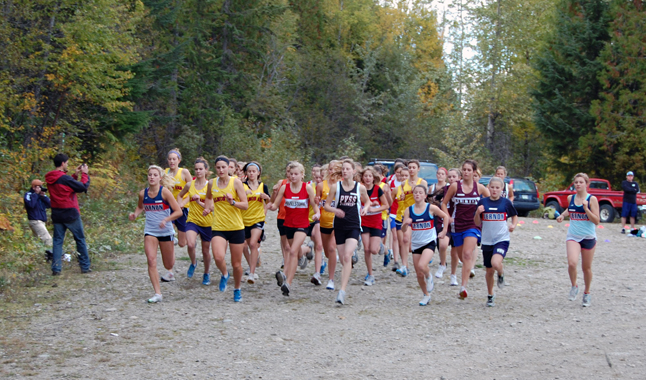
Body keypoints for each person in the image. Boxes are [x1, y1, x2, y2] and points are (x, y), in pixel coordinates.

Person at [129, 166, 183, 303]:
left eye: (155, 175)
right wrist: (135, 214)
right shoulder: (143, 193)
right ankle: (157, 293)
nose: (152, 177)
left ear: (160, 178)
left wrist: (166, 220)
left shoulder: (165, 193)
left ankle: (173, 245)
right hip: (150, 231)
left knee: (168, 263)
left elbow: (178, 212)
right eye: (150, 175)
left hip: (165, 231)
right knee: (151, 260)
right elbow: (141, 206)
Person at [268, 161, 320, 296]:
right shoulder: (285, 188)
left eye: (296, 174)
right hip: (288, 224)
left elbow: (315, 206)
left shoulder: (307, 188)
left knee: (291, 251)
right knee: (296, 253)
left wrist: (317, 214)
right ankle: (308, 249)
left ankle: (287, 282)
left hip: (302, 225)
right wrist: (269, 205)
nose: (293, 176)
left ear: (302, 175)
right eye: (291, 174)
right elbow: (275, 205)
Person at [324, 159, 371, 305]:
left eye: (347, 169)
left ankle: (342, 290)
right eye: (343, 169)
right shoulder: (335, 187)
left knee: (346, 255)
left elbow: (368, 201)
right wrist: (335, 210)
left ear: (353, 171)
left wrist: (365, 208)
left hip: (354, 225)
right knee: (344, 259)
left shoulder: (360, 188)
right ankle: (342, 287)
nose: (345, 171)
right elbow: (326, 205)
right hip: (339, 226)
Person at [441, 160, 490, 300]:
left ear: (474, 172)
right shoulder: (455, 187)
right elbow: (444, 203)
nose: (466, 172)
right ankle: (465, 275)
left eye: (469, 170)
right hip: (457, 225)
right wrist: (448, 216)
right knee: (463, 257)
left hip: (473, 225)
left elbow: (492, 199)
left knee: (468, 254)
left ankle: (463, 287)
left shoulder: (479, 188)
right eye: (464, 169)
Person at [203, 156, 249, 302]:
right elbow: (209, 198)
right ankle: (224, 274)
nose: (221, 170)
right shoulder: (211, 183)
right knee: (218, 256)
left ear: (229, 168)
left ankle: (237, 289)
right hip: (219, 227)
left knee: (236, 264)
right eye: (218, 167)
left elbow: (245, 205)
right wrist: (207, 208)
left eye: (224, 167)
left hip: (236, 227)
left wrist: (233, 202)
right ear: (215, 169)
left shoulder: (235, 182)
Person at [556, 173, 600, 307]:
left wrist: (586, 208)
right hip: (573, 236)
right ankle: (574, 286)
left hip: (588, 237)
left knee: (586, 268)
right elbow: (570, 209)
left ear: (586, 184)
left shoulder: (592, 200)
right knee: (571, 263)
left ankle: (587, 293)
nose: (578, 184)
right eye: (576, 182)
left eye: (581, 182)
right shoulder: (571, 198)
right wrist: (563, 215)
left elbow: (597, 221)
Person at [474, 177, 518, 307]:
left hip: (502, 239)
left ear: (501, 189)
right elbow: (477, 222)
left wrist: (513, 225)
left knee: (495, 262)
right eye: (492, 187)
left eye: (497, 187)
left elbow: (514, 216)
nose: (494, 190)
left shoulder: (505, 203)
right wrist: (477, 213)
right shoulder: (482, 202)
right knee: (489, 271)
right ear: (488, 187)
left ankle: (501, 273)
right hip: (487, 240)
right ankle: (490, 295)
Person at [45, 154, 91, 276]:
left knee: (57, 241)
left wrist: (75, 175)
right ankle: (85, 266)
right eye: (67, 163)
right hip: (70, 213)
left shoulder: (51, 178)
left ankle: (56, 268)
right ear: (63, 163)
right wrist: (84, 174)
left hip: (57, 213)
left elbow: (65, 186)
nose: (68, 165)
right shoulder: (64, 179)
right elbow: (82, 187)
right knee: (80, 239)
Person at [402, 185, 449, 306]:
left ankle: (429, 276)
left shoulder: (431, 208)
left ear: (424, 195)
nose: (417, 194)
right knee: (418, 273)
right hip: (417, 244)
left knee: (422, 265)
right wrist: (406, 224)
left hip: (429, 241)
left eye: (420, 193)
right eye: (415, 192)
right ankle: (426, 295)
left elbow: (445, 217)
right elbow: (403, 229)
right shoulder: (409, 210)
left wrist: (444, 231)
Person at [177, 158, 213, 285]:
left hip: (207, 222)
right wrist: (180, 204)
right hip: (192, 220)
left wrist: (199, 202)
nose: (198, 171)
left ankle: (206, 273)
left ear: (206, 170)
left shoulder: (210, 185)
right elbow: (180, 195)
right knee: (190, 244)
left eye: (200, 169)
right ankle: (193, 262)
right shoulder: (189, 185)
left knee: (205, 251)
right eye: (196, 169)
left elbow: (212, 207)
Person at [394, 160, 428, 277]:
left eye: (414, 167)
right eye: (409, 167)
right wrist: (402, 197)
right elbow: (401, 197)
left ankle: (424, 259)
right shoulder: (404, 184)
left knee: (418, 242)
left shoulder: (422, 182)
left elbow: (425, 197)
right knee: (404, 239)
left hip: (419, 215)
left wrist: (416, 189)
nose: (411, 169)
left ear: (418, 169)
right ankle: (404, 266)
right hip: (407, 214)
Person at [241, 161, 270, 284]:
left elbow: (270, 203)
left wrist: (267, 198)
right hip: (243, 220)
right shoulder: (242, 186)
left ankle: (251, 274)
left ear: (258, 173)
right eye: (249, 171)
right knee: (244, 246)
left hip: (257, 219)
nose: (252, 173)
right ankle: (252, 263)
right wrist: (242, 194)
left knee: (253, 244)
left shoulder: (263, 186)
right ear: (246, 173)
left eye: (254, 171)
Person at [359, 167, 389, 286]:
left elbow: (386, 205)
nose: (367, 178)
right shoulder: (360, 189)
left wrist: (373, 208)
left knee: (374, 250)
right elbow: (360, 201)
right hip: (364, 221)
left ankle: (386, 250)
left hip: (376, 222)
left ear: (373, 178)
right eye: (365, 176)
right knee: (366, 249)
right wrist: (369, 205)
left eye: (370, 176)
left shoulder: (378, 190)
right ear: (362, 177)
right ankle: (370, 274)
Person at [317, 161, 340, 290]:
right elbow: (316, 201)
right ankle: (332, 259)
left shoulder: (343, 185)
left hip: (337, 222)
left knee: (331, 248)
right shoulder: (321, 185)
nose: (332, 172)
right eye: (330, 169)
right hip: (324, 221)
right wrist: (316, 202)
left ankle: (331, 279)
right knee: (327, 252)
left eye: (335, 169)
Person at [165, 149, 192, 249]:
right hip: (169, 206)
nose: (172, 161)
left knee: (182, 243)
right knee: (169, 229)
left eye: (174, 159)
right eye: (170, 159)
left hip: (182, 207)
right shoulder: (165, 172)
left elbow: (192, 191)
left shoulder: (184, 172)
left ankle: (190, 239)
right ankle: (172, 238)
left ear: (179, 160)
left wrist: (183, 203)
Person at [428, 168, 449, 279]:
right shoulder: (432, 187)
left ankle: (443, 263)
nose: (440, 176)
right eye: (438, 173)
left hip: (444, 216)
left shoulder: (449, 187)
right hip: (434, 216)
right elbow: (428, 200)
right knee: (434, 240)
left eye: (442, 174)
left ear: (445, 175)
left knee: (443, 244)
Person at [24, 179, 53, 259]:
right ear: (34, 187)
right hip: (35, 221)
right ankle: (52, 257)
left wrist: (43, 196)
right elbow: (31, 205)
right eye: (39, 186)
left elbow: (50, 204)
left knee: (38, 242)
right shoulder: (29, 194)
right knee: (48, 239)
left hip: (41, 221)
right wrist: (36, 194)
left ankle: (40, 258)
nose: (41, 188)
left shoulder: (41, 196)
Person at [388, 163, 405, 269]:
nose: (400, 175)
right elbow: (389, 201)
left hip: (405, 215)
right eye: (398, 173)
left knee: (403, 240)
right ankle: (396, 261)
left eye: (402, 173)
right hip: (393, 214)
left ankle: (404, 262)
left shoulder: (409, 186)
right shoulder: (391, 183)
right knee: (394, 236)